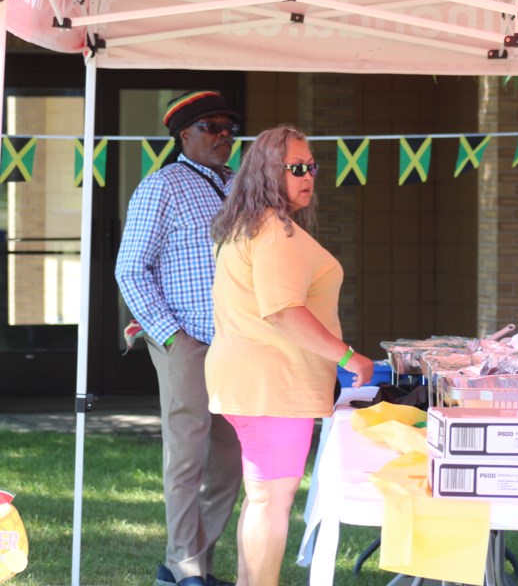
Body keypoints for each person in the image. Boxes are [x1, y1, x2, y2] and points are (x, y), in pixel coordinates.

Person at [205, 125, 374, 586]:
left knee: (261, 497)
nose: (308, 176)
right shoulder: (274, 231)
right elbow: (283, 312)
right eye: (296, 168)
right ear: (265, 171)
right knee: (270, 501)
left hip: (256, 381)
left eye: (311, 167)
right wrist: (349, 358)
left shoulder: (254, 224)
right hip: (272, 384)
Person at [116, 90, 243, 586]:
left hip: (238, 342)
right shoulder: (161, 186)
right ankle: (187, 567)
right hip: (185, 338)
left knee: (230, 462)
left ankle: (186, 566)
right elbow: (130, 269)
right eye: (211, 127)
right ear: (183, 135)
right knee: (187, 455)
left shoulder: (239, 186)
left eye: (229, 127)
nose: (224, 135)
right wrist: (170, 337)